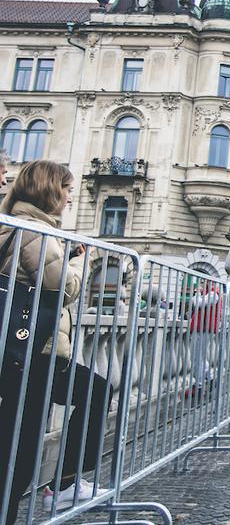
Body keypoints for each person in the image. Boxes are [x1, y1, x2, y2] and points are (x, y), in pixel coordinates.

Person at [0, 161, 111, 521]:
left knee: (92, 393)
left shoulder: (27, 227)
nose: (69, 196)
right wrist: (82, 262)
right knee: (19, 449)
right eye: (66, 188)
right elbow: (65, 287)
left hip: (35, 352)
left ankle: (61, 486)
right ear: (49, 190)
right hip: (32, 353)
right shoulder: (32, 231)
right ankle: (57, 490)